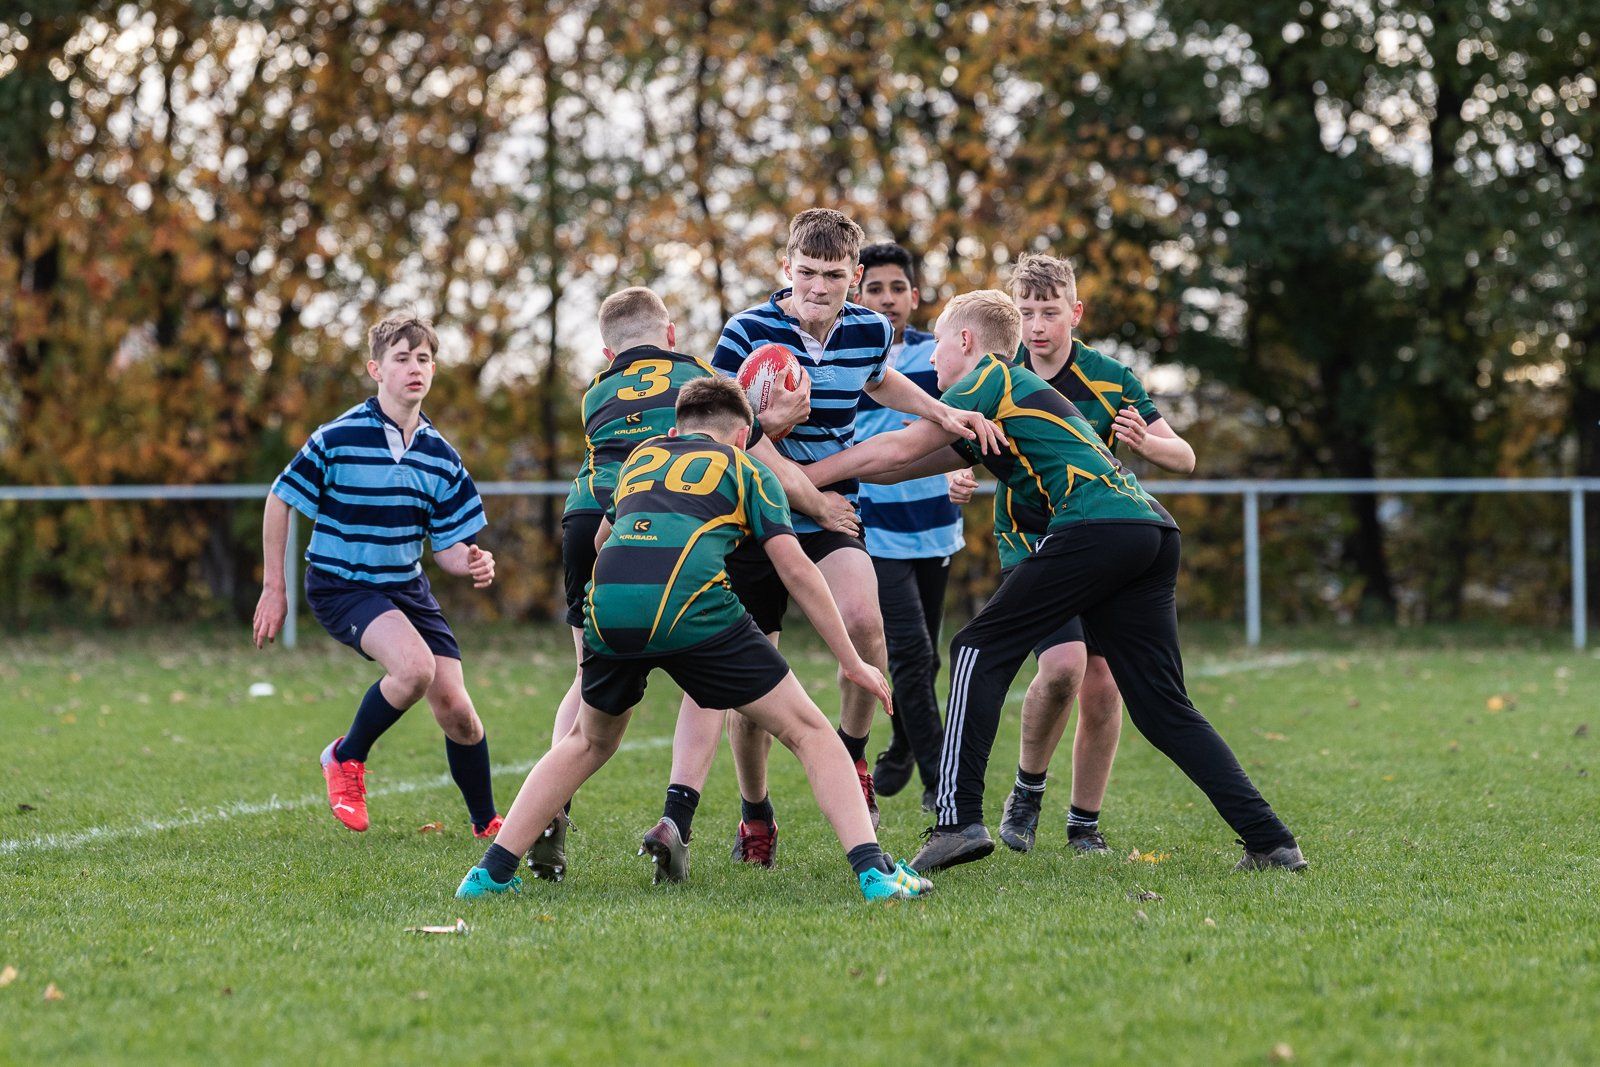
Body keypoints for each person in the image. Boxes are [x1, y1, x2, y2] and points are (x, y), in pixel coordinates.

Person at [800, 290, 1307, 874]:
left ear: (965, 340)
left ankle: (956, 823)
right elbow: (903, 464)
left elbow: (898, 444)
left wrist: (801, 479)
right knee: (1163, 708)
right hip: (1149, 530)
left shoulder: (990, 377)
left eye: (938, 345)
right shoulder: (1005, 396)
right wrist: (822, 485)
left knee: (975, 649)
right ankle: (1271, 841)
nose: (932, 360)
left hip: (1097, 526)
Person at [456, 377, 933, 901]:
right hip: (691, 607)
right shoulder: (749, 469)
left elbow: (602, 538)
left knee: (586, 742)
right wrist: (853, 662)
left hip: (609, 607)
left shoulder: (641, 459)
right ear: (744, 436)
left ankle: (488, 875)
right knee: (811, 732)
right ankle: (875, 873)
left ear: (676, 429)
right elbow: (796, 570)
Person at [664, 208, 1001, 872]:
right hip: (753, 516)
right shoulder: (746, 332)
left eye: (834, 275)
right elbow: (729, 437)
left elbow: (881, 378)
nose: (819, 287)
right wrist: (806, 487)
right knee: (753, 683)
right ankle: (756, 812)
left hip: (829, 517)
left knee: (865, 623)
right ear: (786, 267)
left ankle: (852, 754)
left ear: (855, 275)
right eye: (808, 272)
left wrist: (941, 410)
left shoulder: (869, 328)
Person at [544, 285, 851, 883]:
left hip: (592, 520)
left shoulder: (595, 392)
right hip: (682, 523)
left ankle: (553, 810)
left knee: (585, 680)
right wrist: (819, 503)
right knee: (706, 679)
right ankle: (676, 816)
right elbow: (750, 454)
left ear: (607, 352)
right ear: (672, 335)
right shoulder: (701, 378)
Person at [253, 311, 502, 838]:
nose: (414, 368)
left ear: (433, 370)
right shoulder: (338, 437)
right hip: (341, 583)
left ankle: (487, 825)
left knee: (458, 711)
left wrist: (472, 560)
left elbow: (447, 548)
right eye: (402, 358)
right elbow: (280, 498)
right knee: (414, 669)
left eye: (423, 359)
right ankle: (346, 756)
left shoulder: (441, 457)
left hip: (405, 587)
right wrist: (274, 587)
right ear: (376, 369)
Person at [992, 253, 1198, 857]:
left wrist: (1147, 444)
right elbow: (955, 439)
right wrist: (955, 477)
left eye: (1049, 312)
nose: (1037, 326)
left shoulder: (1109, 378)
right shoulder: (999, 376)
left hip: (1100, 543)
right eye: (1026, 313)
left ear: (1075, 313)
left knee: (1104, 684)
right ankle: (1027, 791)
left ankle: (1084, 823)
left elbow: (1184, 456)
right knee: (1062, 668)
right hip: (1031, 541)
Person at [852, 242, 967, 812]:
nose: (887, 299)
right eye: (874, 289)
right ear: (858, 295)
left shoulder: (937, 355)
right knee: (913, 656)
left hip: (936, 528)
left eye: (897, 288)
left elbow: (961, 426)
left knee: (925, 659)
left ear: (914, 296)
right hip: (875, 530)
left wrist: (965, 469)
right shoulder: (846, 358)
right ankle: (940, 787)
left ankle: (900, 746)